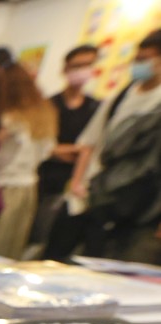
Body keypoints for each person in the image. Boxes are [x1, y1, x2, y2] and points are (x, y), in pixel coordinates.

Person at [45, 30, 161, 263]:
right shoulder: (123, 95)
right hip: (90, 193)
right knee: (56, 258)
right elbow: (90, 143)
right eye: (137, 59)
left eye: (146, 59)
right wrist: (78, 183)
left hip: (134, 206)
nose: (139, 65)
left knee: (107, 268)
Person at [0, 63, 57, 260]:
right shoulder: (43, 114)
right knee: (9, 247)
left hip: (4, 186)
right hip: (27, 187)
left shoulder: (10, 119)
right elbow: (47, 151)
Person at [31, 45, 99, 252]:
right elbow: (41, 145)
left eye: (88, 65)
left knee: (58, 243)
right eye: (77, 65)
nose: (82, 70)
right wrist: (73, 150)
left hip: (75, 186)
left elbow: (90, 148)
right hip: (43, 181)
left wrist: (72, 151)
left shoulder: (96, 107)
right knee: (35, 237)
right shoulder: (49, 104)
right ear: (65, 68)